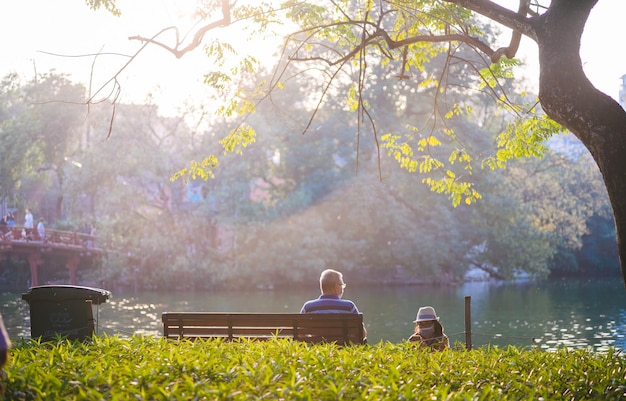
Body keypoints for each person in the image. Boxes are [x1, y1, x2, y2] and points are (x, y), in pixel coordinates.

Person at [300, 269, 367, 339]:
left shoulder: (308, 307)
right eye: (342, 285)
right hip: (342, 347)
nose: (343, 288)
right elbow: (361, 334)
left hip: (316, 346)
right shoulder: (349, 306)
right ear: (336, 287)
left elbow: (300, 333)